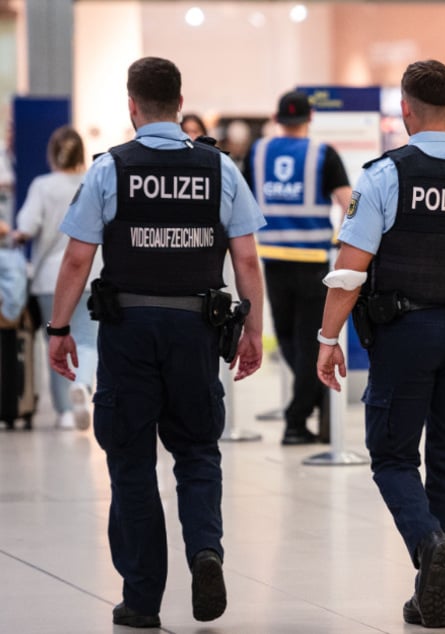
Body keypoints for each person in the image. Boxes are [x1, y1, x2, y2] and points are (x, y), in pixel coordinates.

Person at [46, 56, 265, 629]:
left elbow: (76, 257)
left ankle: (142, 599)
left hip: (129, 335)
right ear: (179, 99)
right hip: (198, 330)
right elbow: (245, 258)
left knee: (132, 461)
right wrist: (253, 330)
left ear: (132, 105)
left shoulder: (110, 169)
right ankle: (206, 552)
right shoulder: (219, 169)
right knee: (197, 453)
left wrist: (59, 327)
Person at [316, 60, 445, 628]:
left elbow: (349, 272)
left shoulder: (385, 175)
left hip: (405, 333)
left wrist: (327, 338)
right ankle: (436, 595)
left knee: (390, 455)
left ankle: (427, 543)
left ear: (404, 110)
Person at [246, 90, 352, 445]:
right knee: (308, 344)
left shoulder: (258, 153)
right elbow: (348, 204)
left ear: (277, 120)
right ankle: (300, 415)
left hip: (272, 261)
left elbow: (241, 203)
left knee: (290, 341)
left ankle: (304, 411)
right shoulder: (323, 155)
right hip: (312, 264)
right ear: (310, 119)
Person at [13, 125, 100, 430]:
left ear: (52, 154)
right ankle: (84, 385)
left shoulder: (43, 186)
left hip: (50, 279)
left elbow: (25, 227)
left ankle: (64, 411)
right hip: (92, 273)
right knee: (88, 339)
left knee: (56, 340)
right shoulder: (93, 181)